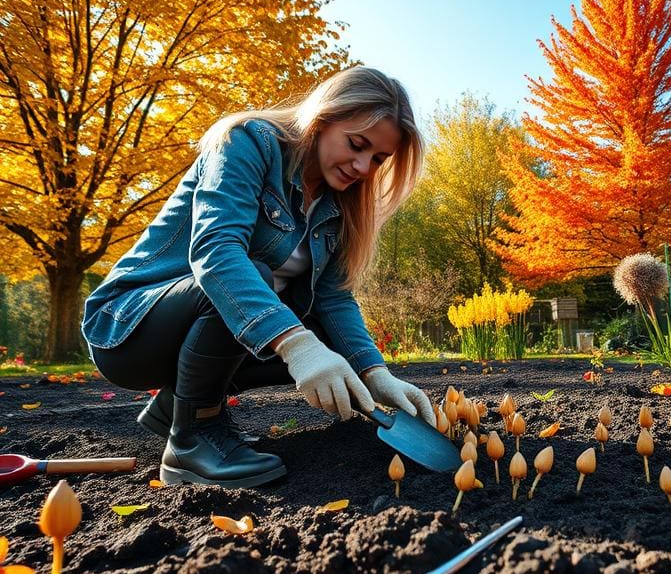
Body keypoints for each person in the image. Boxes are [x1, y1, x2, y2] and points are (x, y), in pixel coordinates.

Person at [82, 67, 436, 488]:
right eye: (357, 145)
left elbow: (334, 298)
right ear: (323, 118)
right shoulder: (246, 142)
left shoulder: (338, 204)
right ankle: (191, 444)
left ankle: (178, 405)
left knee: (318, 327)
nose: (363, 166)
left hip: (203, 330)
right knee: (260, 284)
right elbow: (216, 252)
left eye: (378, 158)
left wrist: (374, 372)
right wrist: (296, 344)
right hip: (129, 329)